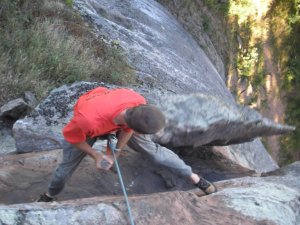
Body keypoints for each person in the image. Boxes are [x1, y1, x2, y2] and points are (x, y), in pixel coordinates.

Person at [37, 87, 216, 202]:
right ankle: (49, 195)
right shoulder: (88, 121)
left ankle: (193, 176)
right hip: (92, 124)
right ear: (134, 127)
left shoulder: (137, 102)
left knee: (154, 152)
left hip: (119, 122)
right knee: (65, 170)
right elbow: (72, 138)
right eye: (142, 133)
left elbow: (127, 129)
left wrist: (114, 151)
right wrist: (96, 155)